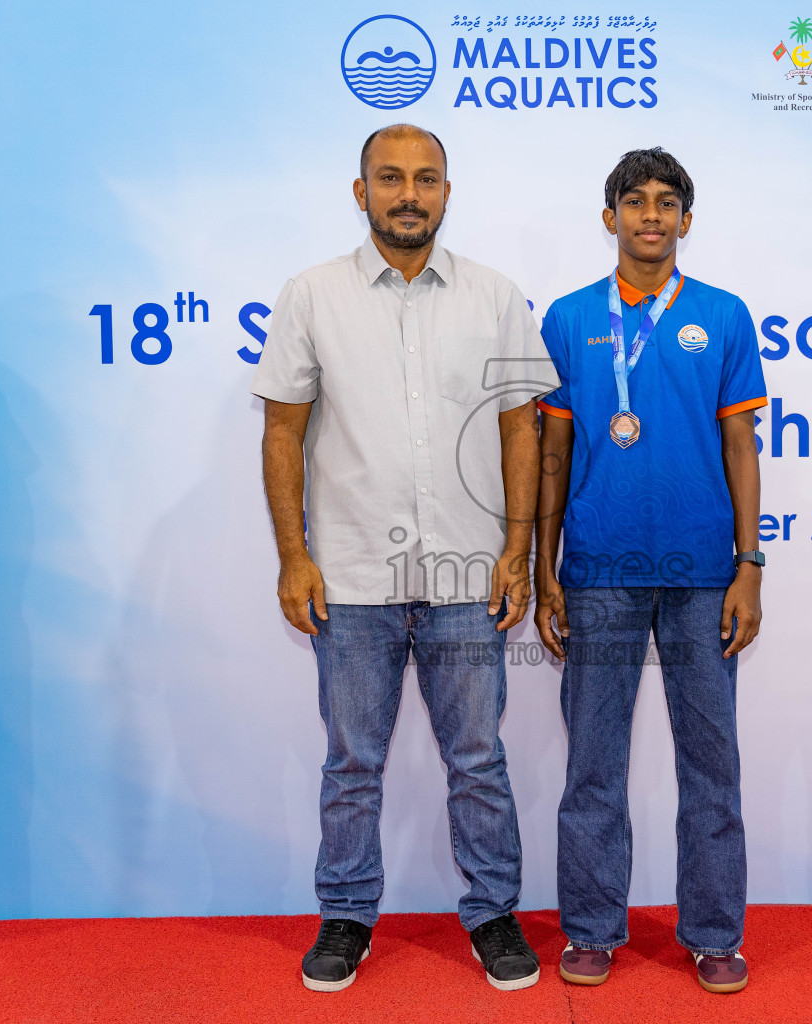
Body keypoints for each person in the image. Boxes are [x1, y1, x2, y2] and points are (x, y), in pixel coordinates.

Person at [252, 125, 559, 993]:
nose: (409, 194)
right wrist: (293, 557)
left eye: (426, 178)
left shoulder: (494, 296)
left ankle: (494, 912)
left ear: (448, 192)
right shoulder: (312, 294)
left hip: (469, 576)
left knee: (479, 758)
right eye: (391, 178)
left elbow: (519, 429)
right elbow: (283, 429)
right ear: (361, 193)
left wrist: (516, 549)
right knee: (352, 762)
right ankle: (345, 917)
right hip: (349, 581)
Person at [533, 148, 767, 994]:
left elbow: (740, 444)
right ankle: (593, 929)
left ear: (687, 220)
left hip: (706, 572)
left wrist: (750, 564)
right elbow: (552, 449)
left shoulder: (724, 315)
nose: (652, 217)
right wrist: (544, 568)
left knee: (712, 762)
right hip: (597, 571)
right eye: (635, 202)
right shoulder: (566, 319)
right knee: (593, 761)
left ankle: (713, 933)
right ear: (610, 218)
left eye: (669, 203)